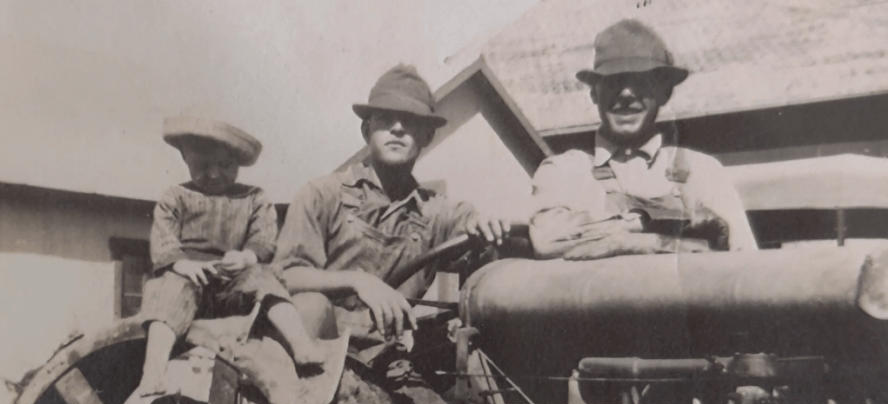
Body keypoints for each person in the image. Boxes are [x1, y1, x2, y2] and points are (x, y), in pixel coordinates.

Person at [275, 64, 509, 350]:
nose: (397, 129)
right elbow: (286, 276)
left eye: (409, 121)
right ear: (366, 129)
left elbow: (477, 234)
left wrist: (488, 225)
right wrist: (358, 281)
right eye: (385, 119)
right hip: (319, 350)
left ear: (426, 137)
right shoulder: (321, 195)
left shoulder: (437, 212)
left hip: (390, 358)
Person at [118, 116, 326, 404]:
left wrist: (246, 257)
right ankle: (154, 368)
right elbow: (163, 242)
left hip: (233, 280)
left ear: (239, 165)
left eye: (225, 165)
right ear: (185, 158)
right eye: (202, 164)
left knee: (265, 280)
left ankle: (301, 344)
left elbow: (265, 238)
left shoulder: (254, 199)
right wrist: (181, 263)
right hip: (188, 279)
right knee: (166, 292)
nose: (214, 174)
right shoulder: (175, 198)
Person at [529, 19, 759, 260]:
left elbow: (744, 264)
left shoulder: (702, 172)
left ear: (664, 92)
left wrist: (625, 238)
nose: (627, 94)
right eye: (614, 82)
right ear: (594, 93)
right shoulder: (565, 171)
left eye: (641, 82)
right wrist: (643, 230)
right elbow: (547, 240)